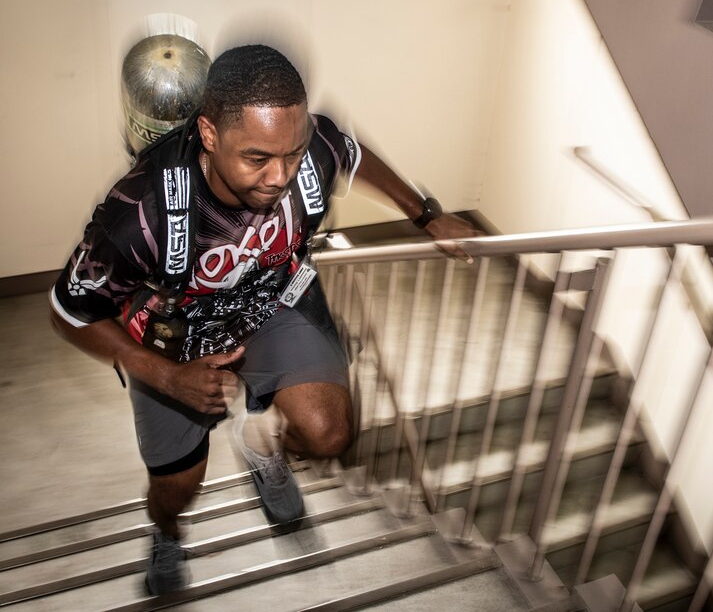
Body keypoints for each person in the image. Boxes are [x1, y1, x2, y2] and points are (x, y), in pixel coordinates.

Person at [50, 44, 476, 595]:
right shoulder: (141, 214)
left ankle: (261, 446)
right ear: (208, 134)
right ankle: (168, 534)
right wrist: (164, 375)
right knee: (177, 485)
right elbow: (68, 309)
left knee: (328, 432)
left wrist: (426, 215)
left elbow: (349, 153)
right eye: (257, 158)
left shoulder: (308, 148)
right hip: (174, 343)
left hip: (272, 300)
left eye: (292, 154)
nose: (280, 177)